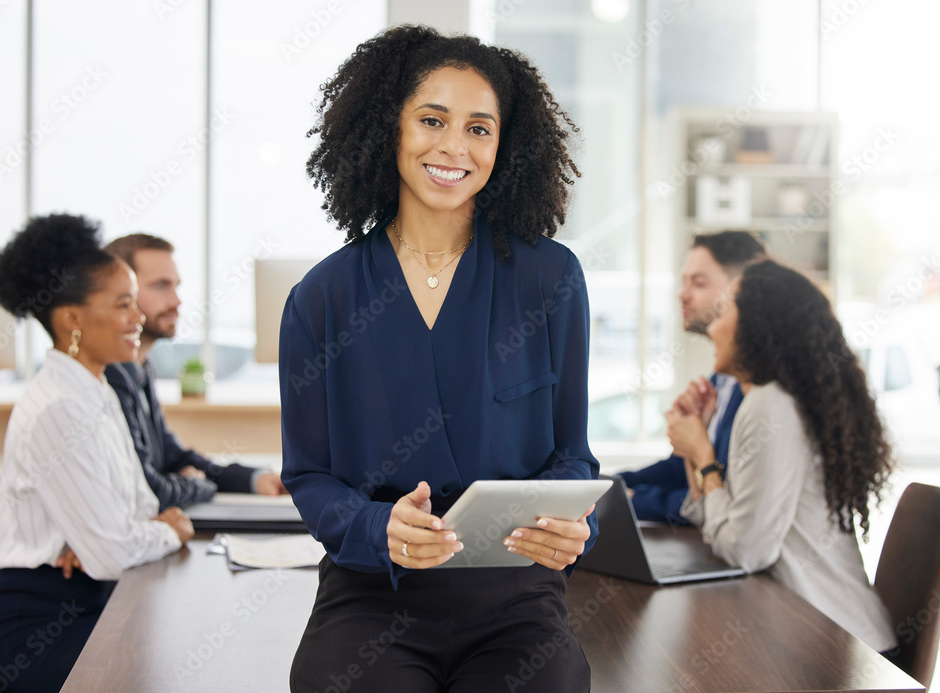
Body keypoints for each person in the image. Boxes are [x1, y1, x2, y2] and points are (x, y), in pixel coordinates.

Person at [280, 26, 597, 692]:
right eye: (431, 120)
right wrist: (375, 526)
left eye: (480, 128)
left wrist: (573, 523)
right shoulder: (323, 298)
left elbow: (573, 453)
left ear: (503, 146)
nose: (454, 146)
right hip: (374, 592)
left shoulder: (550, 278)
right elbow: (309, 475)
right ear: (386, 128)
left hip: (513, 595)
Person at [0, 214, 194, 692]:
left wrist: (113, 534)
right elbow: (114, 552)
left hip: (89, 597)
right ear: (72, 318)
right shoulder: (60, 406)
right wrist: (166, 532)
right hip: (37, 626)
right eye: (122, 305)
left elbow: (139, 508)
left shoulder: (96, 389)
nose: (138, 318)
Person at [668, 259, 898, 653]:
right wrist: (697, 445)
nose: (712, 327)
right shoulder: (777, 401)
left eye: (723, 313)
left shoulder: (770, 405)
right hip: (820, 637)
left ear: (756, 326)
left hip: (840, 653)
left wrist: (703, 452)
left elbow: (747, 551)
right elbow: (719, 521)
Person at [102, 233, 286, 509]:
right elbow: (147, 489)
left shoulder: (140, 368)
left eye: (176, 286)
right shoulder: (107, 376)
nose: (176, 301)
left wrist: (254, 478)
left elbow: (173, 458)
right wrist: (197, 485)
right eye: (161, 286)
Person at [618, 231, 765, 524]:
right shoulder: (722, 379)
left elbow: (730, 499)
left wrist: (634, 500)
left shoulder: (759, 388)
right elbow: (686, 473)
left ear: (742, 289)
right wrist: (613, 485)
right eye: (684, 281)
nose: (682, 295)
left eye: (698, 283)